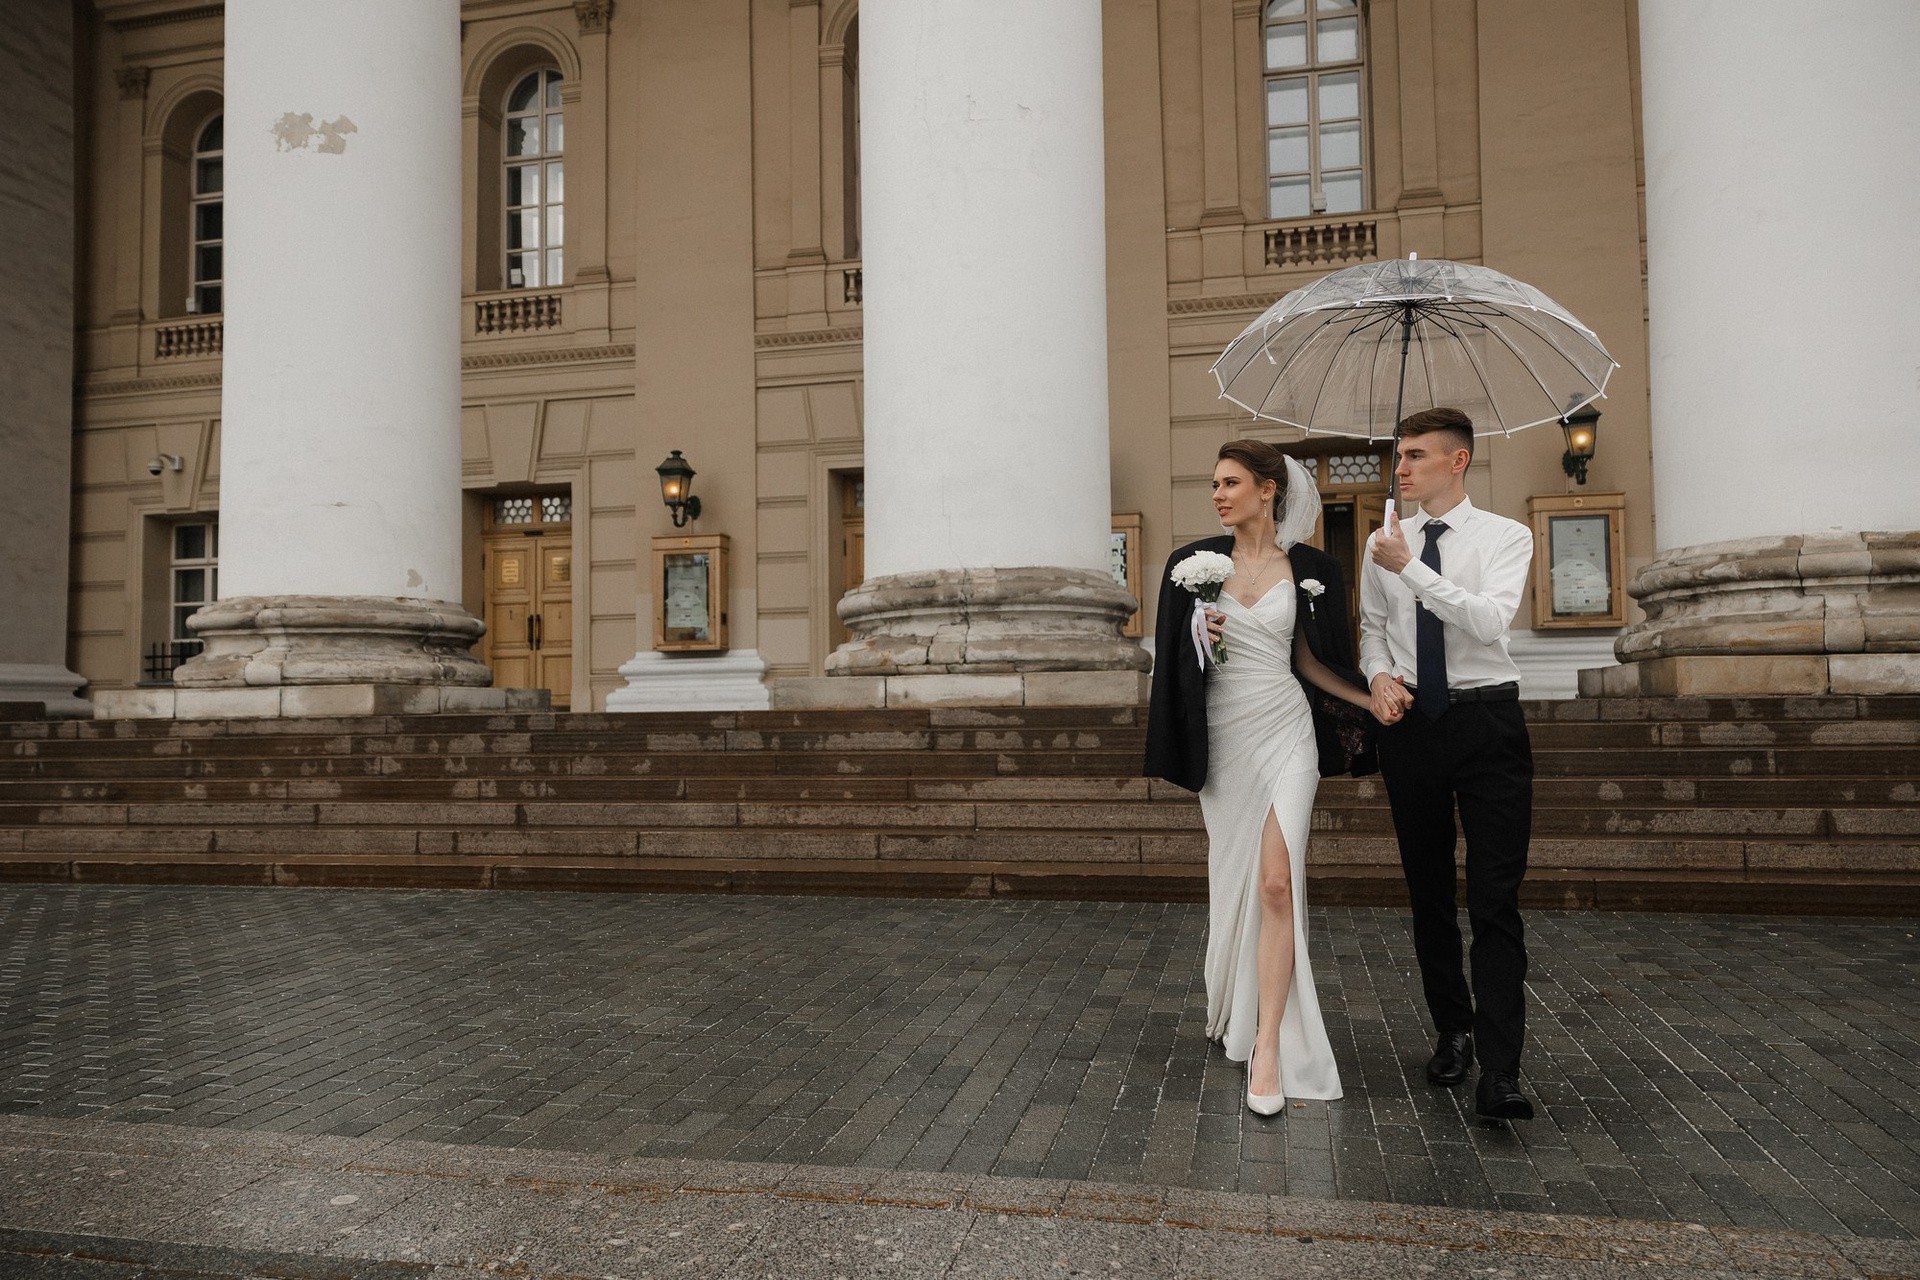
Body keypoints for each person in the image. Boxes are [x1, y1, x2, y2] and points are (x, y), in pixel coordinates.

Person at [1144, 439, 1377, 1115]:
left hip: (1286, 728)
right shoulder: (1190, 565)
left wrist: (1373, 700)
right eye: (1215, 484)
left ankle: (1268, 1047)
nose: (1218, 495)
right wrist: (1200, 637)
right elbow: (1174, 665)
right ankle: (1232, 1005)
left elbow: (1313, 661)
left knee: (1278, 882)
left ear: (1268, 489)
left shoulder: (1314, 569)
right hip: (1225, 738)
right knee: (1233, 876)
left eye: (1231, 483)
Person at [1359, 407, 1538, 1121]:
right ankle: (1453, 1030)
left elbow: (1490, 621)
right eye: (1399, 455)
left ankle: (1502, 1069)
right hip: (1413, 727)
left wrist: (1411, 569)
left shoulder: (1505, 536)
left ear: (1457, 461)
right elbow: (1373, 631)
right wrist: (1378, 676)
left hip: (1488, 723)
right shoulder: (1381, 541)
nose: (1401, 468)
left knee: (1494, 898)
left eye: (1416, 456)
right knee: (1428, 892)